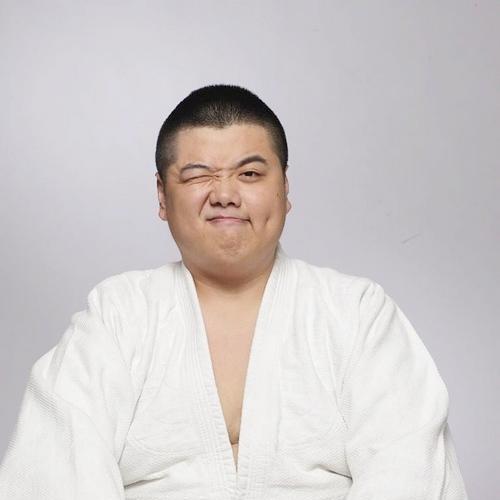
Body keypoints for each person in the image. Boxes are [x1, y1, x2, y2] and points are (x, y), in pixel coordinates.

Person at [0, 84, 469, 499]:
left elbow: (408, 472)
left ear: (284, 189)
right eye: (198, 175)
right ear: (162, 196)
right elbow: (54, 471)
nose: (224, 194)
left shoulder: (357, 314)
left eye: (250, 174)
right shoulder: (117, 317)